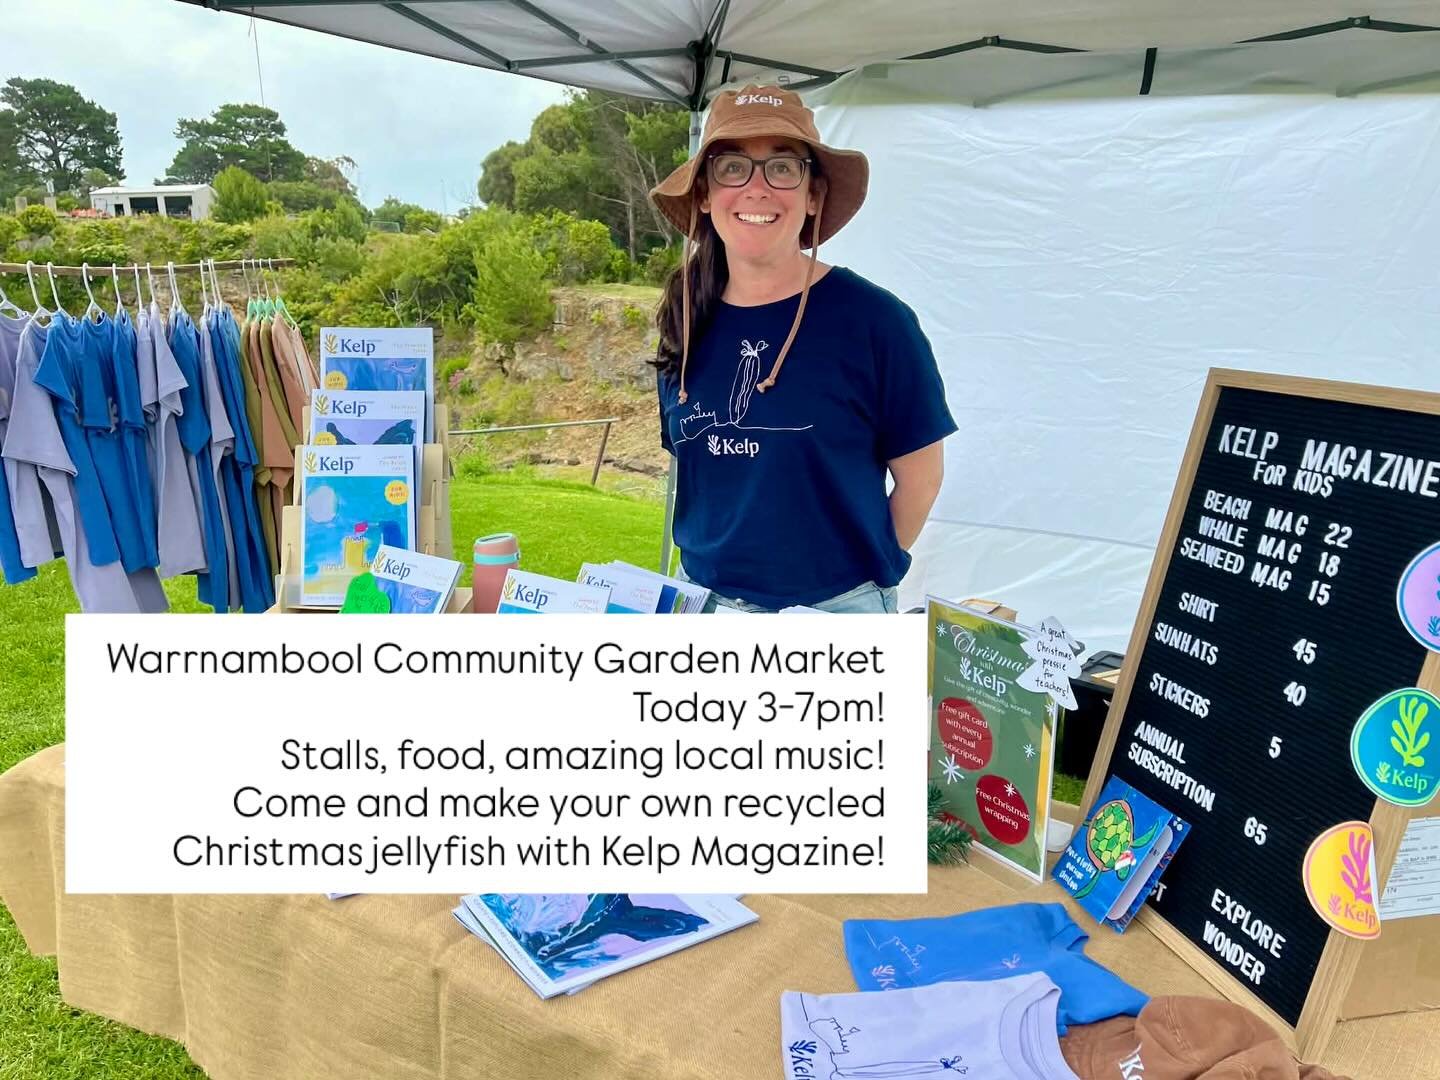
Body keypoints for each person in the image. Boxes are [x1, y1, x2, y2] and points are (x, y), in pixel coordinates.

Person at [650, 85, 957, 614]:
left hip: (835, 613)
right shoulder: (685, 318)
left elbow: (922, 480)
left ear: (813, 194)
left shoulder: (875, 322)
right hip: (703, 608)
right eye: (731, 167)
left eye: (783, 168)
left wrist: (861, 582)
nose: (757, 188)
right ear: (704, 193)